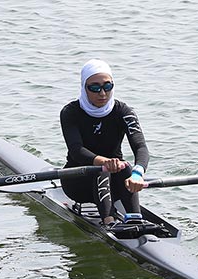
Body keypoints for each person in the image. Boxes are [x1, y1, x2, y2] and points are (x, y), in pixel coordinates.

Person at [60, 59, 150, 230]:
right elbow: (77, 150)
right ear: (83, 87)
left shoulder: (124, 112)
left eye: (107, 86)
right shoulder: (70, 112)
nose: (102, 93)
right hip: (78, 182)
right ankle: (108, 221)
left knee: (125, 167)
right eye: (95, 88)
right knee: (103, 169)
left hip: (115, 183)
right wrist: (104, 162)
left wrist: (138, 173)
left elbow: (141, 147)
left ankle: (134, 218)